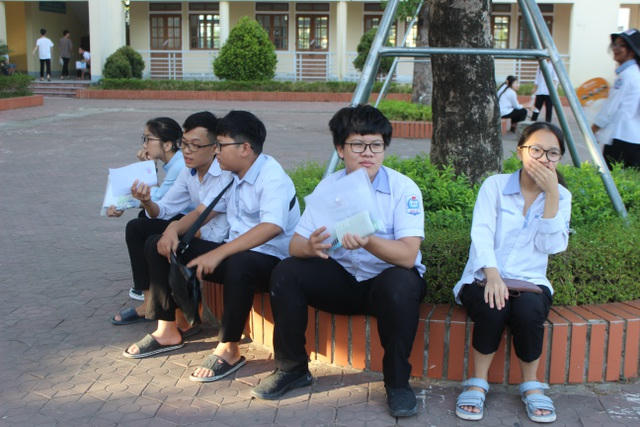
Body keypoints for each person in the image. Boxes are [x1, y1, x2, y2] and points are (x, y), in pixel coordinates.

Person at [252, 105, 426, 418]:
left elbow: (408, 256)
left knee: (401, 284)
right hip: (343, 279)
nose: (368, 153)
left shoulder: (403, 189)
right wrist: (311, 246)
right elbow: (294, 245)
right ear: (340, 149)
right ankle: (292, 368)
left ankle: (398, 383)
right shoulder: (328, 188)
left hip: (385, 283)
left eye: (376, 145)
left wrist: (368, 240)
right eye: (357, 145)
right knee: (287, 272)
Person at [123, 111, 300, 385]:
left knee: (239, 262)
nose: (216, 152)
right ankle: (167, 329)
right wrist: (172, 231)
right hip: (235, 254)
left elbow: (272, 226)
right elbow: (202, 212)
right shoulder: (234, 175)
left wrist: (219, 252)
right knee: (157, 244)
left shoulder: (271, 176)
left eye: (221, 145)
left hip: (269, 261)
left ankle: (229, 348)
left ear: (244, 148)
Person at [453, 122, 571, 423]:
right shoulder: (494, 186)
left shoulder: (561, 196)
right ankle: (478, 382)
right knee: (494, 306)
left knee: (529, 312)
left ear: (559, 158)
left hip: (531, 281)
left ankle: (532, 385)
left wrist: (552, 195)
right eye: (536, 150)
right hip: (483, 275)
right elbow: (481, 232)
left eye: (552, 153)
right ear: (520, 152)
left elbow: (551, 246)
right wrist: (493, 275)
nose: (544, 159)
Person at [110, 112, 229, 326]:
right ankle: (149, 303)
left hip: (214, 238)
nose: (187, 150)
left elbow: (203, 216)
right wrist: (147, 201)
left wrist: (174, 230)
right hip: (194, 227)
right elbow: (164, 209)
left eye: (195, 145)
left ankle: (173, 320)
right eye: (184, 144)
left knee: (156, 242)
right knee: (137, 227)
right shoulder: (188, 171)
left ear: (214, 148)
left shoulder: (224, 174)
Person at [591, 28, 640, 169]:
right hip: (634, 139)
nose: (615, 49)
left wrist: (594, 128)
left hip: (621, 139)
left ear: (632, 51)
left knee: (611, 179)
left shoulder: (626, 76)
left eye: (621, 45)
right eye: (615, 44)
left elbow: (610, 108)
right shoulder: (635, 73)